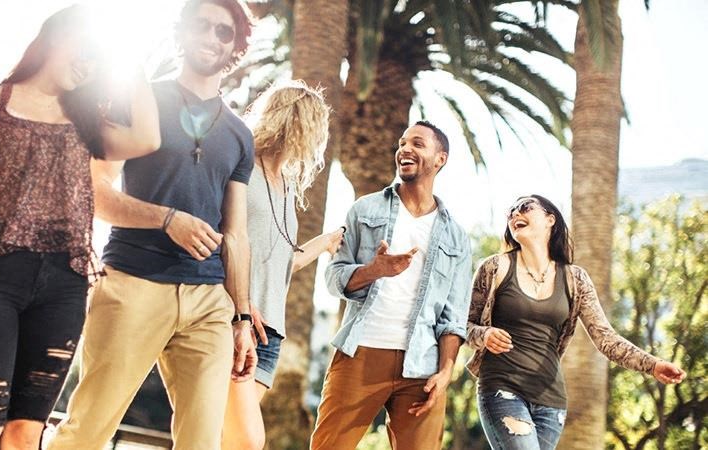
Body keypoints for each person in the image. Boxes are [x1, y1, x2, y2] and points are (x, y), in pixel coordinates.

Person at [0, 5, 161, 449]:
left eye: (99, 59)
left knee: (24, 435)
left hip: (65, 285)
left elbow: (148, 138)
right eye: (85, 50)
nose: (89, 64)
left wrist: (129, 60)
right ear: (57, 38)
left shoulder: (91, 123)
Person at [47, 1, 257, 449]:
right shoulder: (138, 101)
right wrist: (165, 220)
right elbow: (95, 192)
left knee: (203, 444)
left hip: (209, 302)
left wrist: (241, 317)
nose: (211, 37)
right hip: (131, 283)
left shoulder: (240, 135)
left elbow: (236, 235)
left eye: (224, 32)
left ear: (237, 46)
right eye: (201, 26)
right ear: (181, 33)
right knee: (87, 430)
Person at [466, 195, 687, 450]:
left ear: (551, 219)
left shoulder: (575, 279)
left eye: (525, 207)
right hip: (502, 390)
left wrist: (653, 365)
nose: (515, 213)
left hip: (551, 402)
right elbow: (464, 324)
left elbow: (605, 337)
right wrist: (484, 335)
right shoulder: (495, 268)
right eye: (511, 211)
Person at [311, 121, 472, 450]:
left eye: (417, 143)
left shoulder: (456, 236)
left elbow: (453, 315)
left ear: (440, 159)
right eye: (401, 143)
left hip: (422, 366)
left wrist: (445, 372)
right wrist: (372, 271)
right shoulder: (364, 210)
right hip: (361, 353)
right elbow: (333, 275)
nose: (405, 149)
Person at [221, 80, 343, 450]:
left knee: (219, 439)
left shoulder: (286, 186)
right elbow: (223, 238)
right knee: (247, 440)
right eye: (314, 125)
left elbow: (280, 264)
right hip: (238, 323)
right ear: (295, 121)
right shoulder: (243, 169)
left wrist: (324, 244)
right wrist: (237, 306)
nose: (317, 139)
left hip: (271, 332)